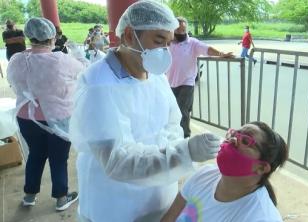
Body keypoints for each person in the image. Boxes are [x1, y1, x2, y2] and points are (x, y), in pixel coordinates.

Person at [68, 1, 221, 221]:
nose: (165, 52)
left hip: (159, 193)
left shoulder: (154, 75)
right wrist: (184, 153)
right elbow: (117, 161)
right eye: (159, 41)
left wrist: (174, 152)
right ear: (129, 35)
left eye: (168, 43)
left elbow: (172, 123)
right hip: (116, 202)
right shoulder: (99, 85)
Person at [6, 17, 86, 211]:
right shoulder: (62, 60)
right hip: (58, 118)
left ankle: (29, 195)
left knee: (36, 154)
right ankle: (61, 197)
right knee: (58, 158)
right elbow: (85, 72)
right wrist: (78, 54)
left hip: (26, 118)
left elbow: (14, 83)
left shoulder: (17, 59)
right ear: (52, 36)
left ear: (28, 36)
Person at [162, 121, 288, 222]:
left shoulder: (261, 217)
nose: (233, 140)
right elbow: (170, 217)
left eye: (245, 141)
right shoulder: (203, 175)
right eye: (234, 134)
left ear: (262, 168)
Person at [167, 16, 234, 138]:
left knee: (183, 110)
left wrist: (221, 54)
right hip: (170, 82)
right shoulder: (168, 42)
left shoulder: (192, 43)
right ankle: (173, 134)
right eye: (178, 30)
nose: (181, 33)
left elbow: (207, 49)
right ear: (173, 30)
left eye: (183, 30)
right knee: (171, 110)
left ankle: (185, 136)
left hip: (186, 82)